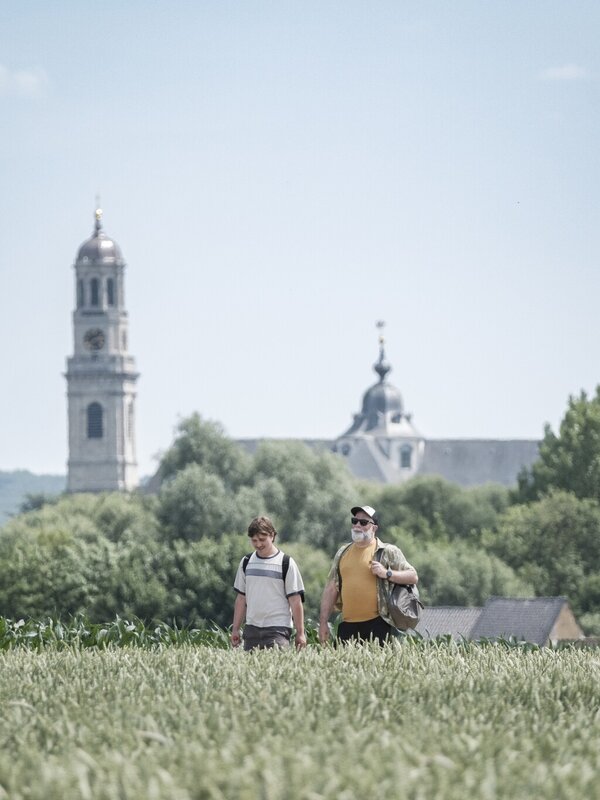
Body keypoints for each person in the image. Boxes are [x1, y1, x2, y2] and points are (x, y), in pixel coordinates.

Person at [318, 504, 418, 645]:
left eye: (364, 522)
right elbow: (331, 588)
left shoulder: (387, 551)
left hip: (378, 624)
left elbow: (412, 576)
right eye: (354, 521)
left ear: (374, 528)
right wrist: (323, 622)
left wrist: (386, 573)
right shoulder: (342, 552)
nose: (357, 525)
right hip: (348, 625)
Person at [232, 516, 307, 651]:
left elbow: (295, 601)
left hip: (278, 629)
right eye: (254, 540)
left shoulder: (286, 563)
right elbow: (241, 598)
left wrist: (300, 633)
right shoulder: (246, 562)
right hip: (251, 629)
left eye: (262, 539)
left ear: (272, 536)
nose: (258, 544)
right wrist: (236, 629)